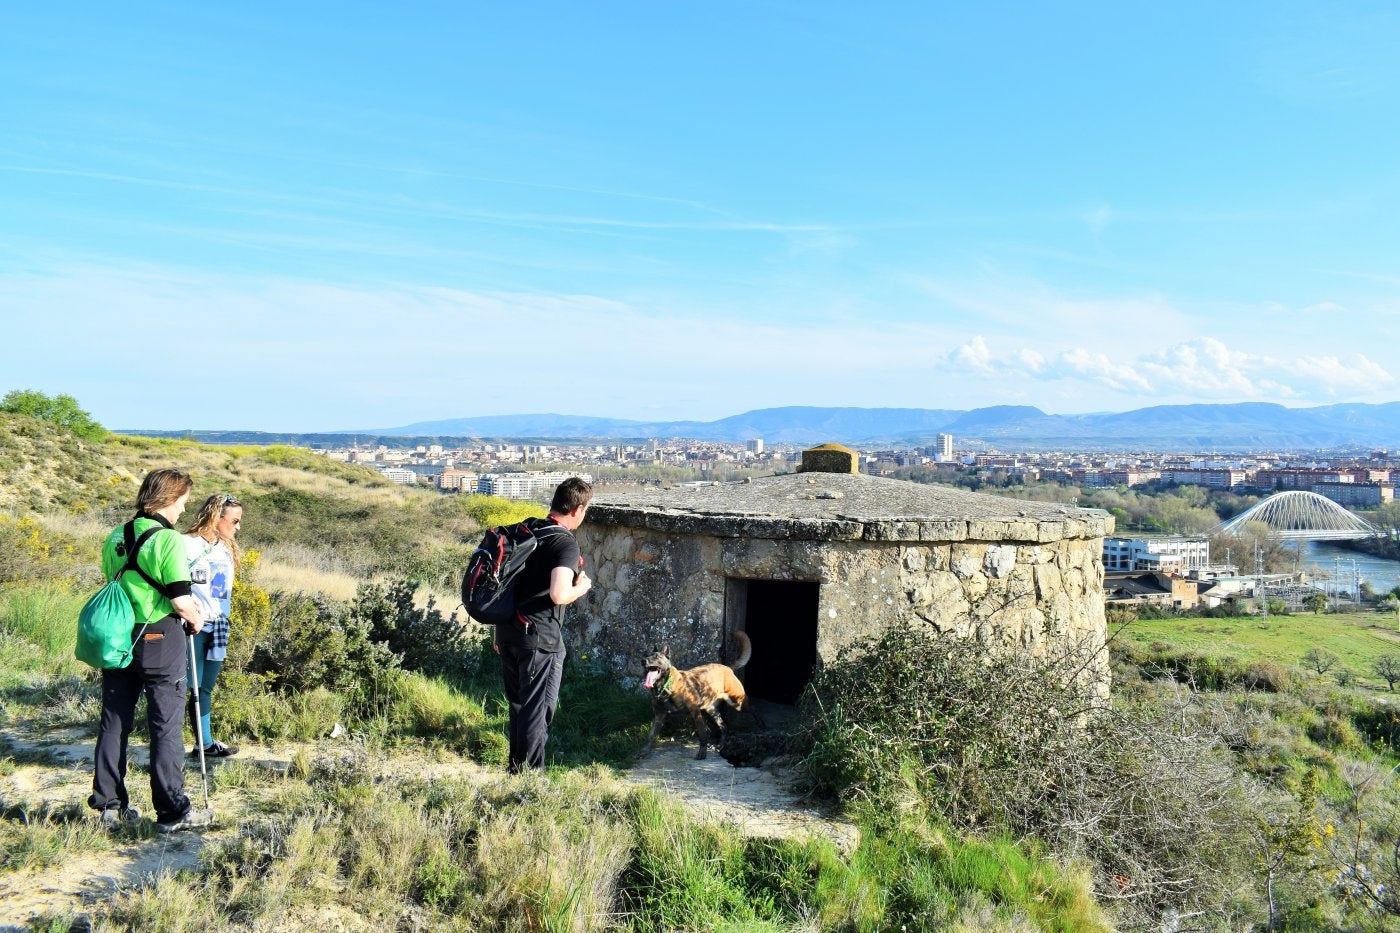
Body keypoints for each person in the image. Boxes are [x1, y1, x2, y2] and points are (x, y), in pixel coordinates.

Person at [89, 468, 213, 833]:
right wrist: (197, 618)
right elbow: (179, 598)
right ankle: (172, 810)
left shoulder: (116, 534)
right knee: (165, 724)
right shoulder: (168, 540)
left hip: (118, 636)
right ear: (170, 499)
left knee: (114, 719)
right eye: (183, 502)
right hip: (159, 637)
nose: (183, 510)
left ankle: (109, 804)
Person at [493, 476, 593, 772]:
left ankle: (515, 772)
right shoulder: (564, 543)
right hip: (541, 639)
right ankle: (529, 781)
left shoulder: (527, 530)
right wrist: (582, 588)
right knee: (537, 711)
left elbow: (505, 584)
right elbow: (559, 593)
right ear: (577, 509)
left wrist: (497, 632)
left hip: (508, 631)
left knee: (519, 707)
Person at [182, 493, 243, 758]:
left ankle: (204, 743)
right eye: (234, 521)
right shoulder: (187, 543)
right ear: (216, 517)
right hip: (193, 626)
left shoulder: (226, 547)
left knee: (205, 687)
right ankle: (171, 743)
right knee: (189, 688)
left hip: (219, 625)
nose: (237, 527)